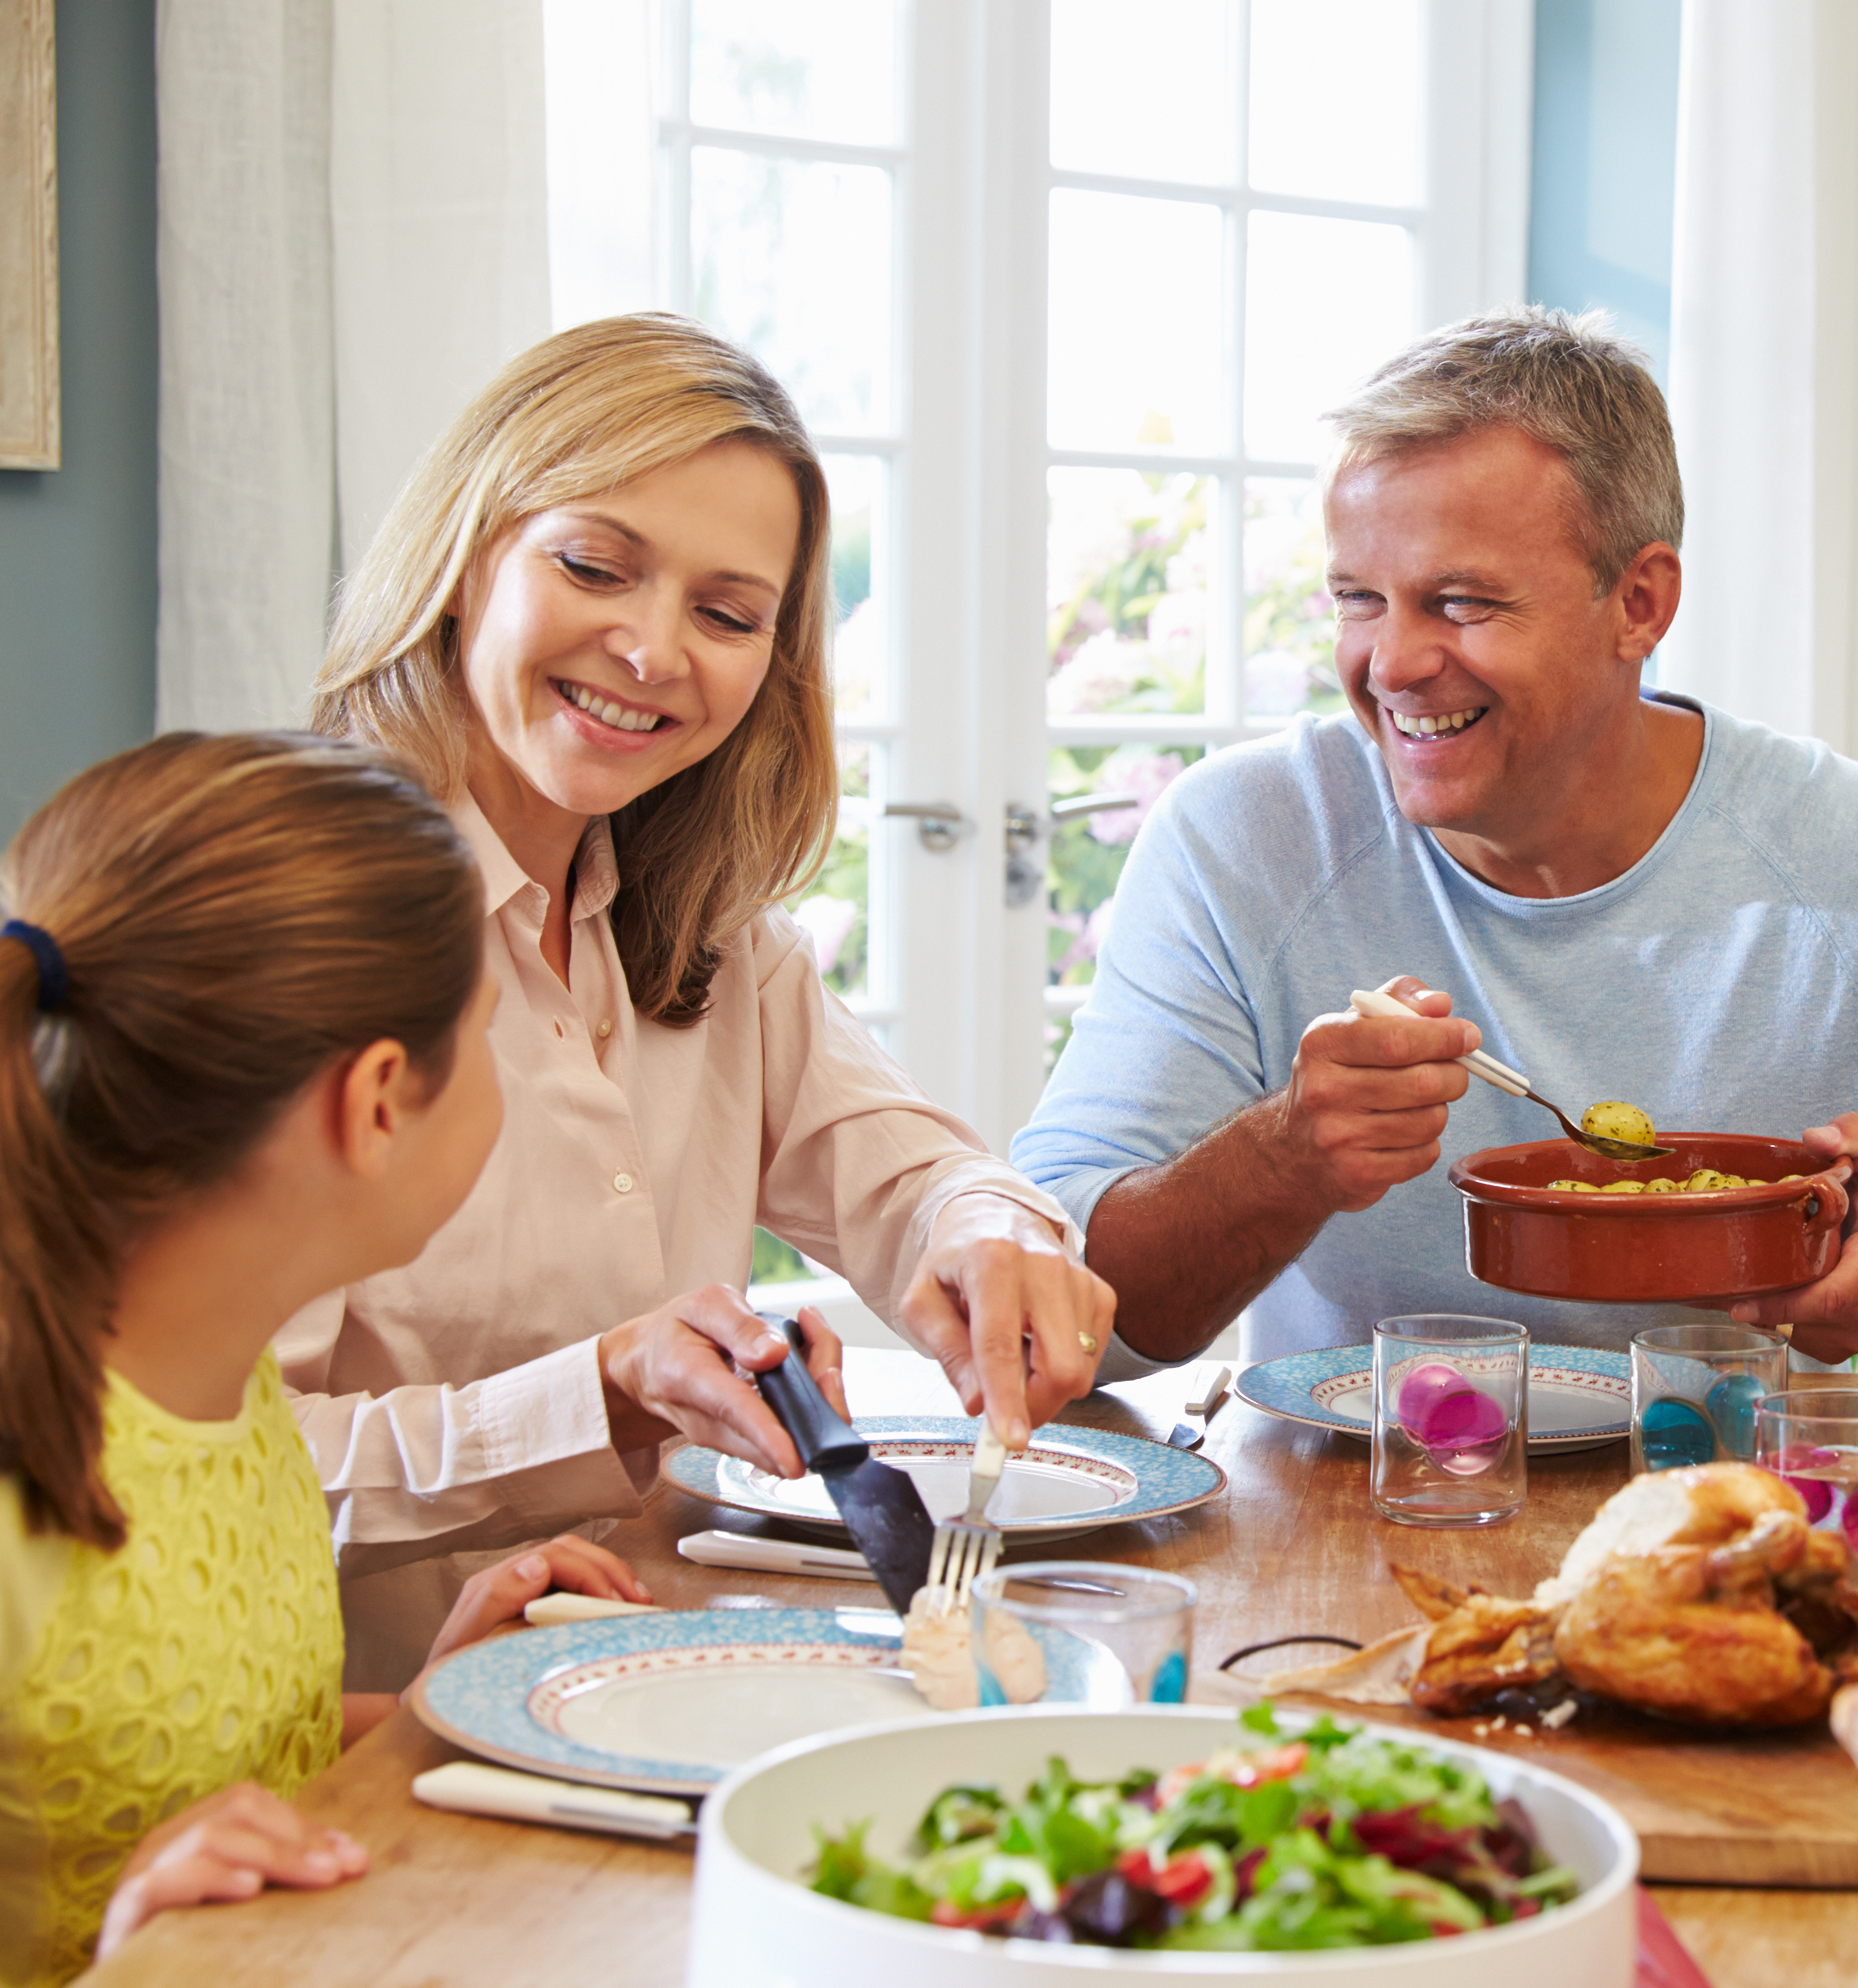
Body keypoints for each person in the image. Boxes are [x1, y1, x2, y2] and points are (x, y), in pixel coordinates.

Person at [296, 315, 1116, 1686]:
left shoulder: (714, 939)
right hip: (356, 1767)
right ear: (461, 561)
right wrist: (596, 1393)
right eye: (593, 566)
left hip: (662, 1693)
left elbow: (912, 1172)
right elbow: (182, 1479)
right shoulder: (295, 939)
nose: (649, 647)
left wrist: (986, 1226)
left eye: (728, 615)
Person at [1015, 308, 1858, 1374]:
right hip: (1349, 1521)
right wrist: (1286, 1157)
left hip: (1742, 1521)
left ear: (1638, 604)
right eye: (1359, 599)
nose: (1392, 663)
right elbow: (1055, 1307)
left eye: (1460, 603)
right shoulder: (1244, 835)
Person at [0, 732, 646, 1984]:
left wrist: (425, 1714)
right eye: (491, 1037)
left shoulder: (226, 1389)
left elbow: (195, 1772)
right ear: (381, 1100)